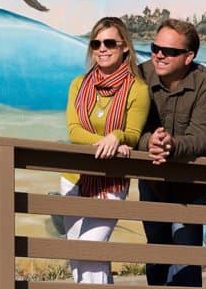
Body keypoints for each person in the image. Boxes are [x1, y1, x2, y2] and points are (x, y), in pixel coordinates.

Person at [62, 16, 150, 284]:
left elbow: (133, 135)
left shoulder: (138, 89)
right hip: (73, 178)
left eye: (110, 42)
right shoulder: (79, 84)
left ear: (124, 47)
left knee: (90, 249)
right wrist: (108, 142)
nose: (102, 48)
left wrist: (118, 135)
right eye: (96, 42)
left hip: (111, 183)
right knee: (80, 256)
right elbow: (74, 131)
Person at [137, 18, 206, 287]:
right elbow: (128, 127)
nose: (160, 55)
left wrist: (171, 146)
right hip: (153, 181)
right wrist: (149, 142)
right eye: (155, 47)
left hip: (191, 186)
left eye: (170, 51)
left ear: (189, 57)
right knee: (157, 254)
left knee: (185, 257)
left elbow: (200, 137)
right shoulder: (139, 75)